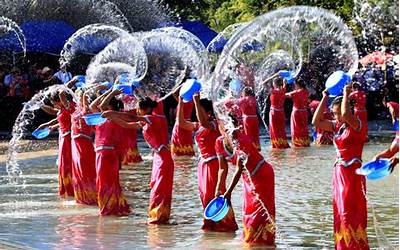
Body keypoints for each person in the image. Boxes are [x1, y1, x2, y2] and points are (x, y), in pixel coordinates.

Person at [312, 85, 368, 249]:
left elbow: (345, 114)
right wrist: (324, 98)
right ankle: (343, 245)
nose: (337, 117)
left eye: (338, 113)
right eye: (334, 114)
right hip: (339, 173)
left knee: (350, 212)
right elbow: (316, 121)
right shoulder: (337, 126)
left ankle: (355, 245)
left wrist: (346, 93)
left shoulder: (357, 124)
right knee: (340, 210)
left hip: (353, 173)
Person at [103, 96, 174, 224]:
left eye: (138, 109)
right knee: (155, 187)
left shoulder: (153, 118)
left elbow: (133, 118)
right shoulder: (145, 121)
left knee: (160, 189)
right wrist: (112, 118)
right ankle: (156, 216)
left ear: (146, 109)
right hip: (158, 158)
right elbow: (127, 125)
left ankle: (159, 217)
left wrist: (112, 113)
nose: (137, 111)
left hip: (164, 158)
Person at [177, 93, 238, 231]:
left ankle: (224, 225)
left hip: (213, 164)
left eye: (200, 109)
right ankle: (211, 224)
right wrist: (181, 103)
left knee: (214, 194)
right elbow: (181, 123)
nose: (197, 112)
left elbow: (205, 122)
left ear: (208, 112)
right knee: (205, 195)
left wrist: (197, 102)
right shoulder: (197, 125)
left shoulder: (214, 124)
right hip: (202, 165)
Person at [215, 116, 275, 246]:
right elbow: (222, 168)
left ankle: (262, 241)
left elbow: (238, 169)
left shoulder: (240, 140)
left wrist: (229, 192)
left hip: (262, 175)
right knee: (249, 209)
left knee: (258, 211)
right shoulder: (219, 142)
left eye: (222, 124)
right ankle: (252, 239)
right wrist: (218, 189)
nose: (220, 126)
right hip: (248, 177)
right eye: (219, 123)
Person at [89, 89, 131, 216]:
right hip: (104, 153)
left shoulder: (111, 115)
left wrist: (111, 92)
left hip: (105, 153)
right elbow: (92, 106)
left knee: (104, 182)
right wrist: (106, 93)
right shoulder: (104, 116)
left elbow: (98, 106)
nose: (101, 105)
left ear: (110, 105)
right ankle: (113, 207)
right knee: (108, 181)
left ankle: (109, 208)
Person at [38, 89, 76, 198]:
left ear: (61, 100)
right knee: (63, 165)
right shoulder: (63, 108)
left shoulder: (70, 107)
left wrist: (62, 88)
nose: (54, 105)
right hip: (63, 137)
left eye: (54, 102)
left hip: (68, 138)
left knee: (67, 165)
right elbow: (60, 120)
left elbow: (62, 94)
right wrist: (50, 126)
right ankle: (66, 190)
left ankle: (71, 190)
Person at [70, 90, 97, 205]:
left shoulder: (88, 110)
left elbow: (87, 108)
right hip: (75, 142)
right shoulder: (76, 110)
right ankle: (81, 196)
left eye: (80, 96)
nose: (78, 98)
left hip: (84, 142)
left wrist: (85, 94)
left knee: (84, 168)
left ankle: (90, 196)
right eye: (77, 96)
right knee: (77, 169)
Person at [285, 79, 310, 147]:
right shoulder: (306, 91)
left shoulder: (295, 92)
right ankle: (305, 143)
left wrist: (284, 86)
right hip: (304, 112)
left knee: (296, 129)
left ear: (297, 85)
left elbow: (284, 95)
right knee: (304, 128)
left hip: (296, 113)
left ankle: (297, 144)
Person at [269, 77, 290, 148]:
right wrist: (284, 83)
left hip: (274, 113)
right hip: (281, 112)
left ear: (274, 84)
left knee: (274, 129)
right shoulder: (283, 90)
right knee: (281, 129)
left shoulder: (274, 91)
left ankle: (277, 145)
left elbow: (264, 85)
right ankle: (283, 144)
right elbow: (284, 86)